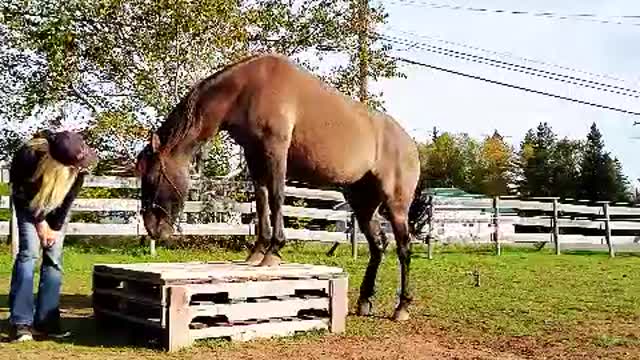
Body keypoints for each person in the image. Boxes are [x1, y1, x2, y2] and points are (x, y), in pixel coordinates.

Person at [7, 130, 96, 342]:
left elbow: (69, 199)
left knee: (54, 259)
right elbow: (20, 191)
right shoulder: (27, 155)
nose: (77, 169)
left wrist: (54, 228)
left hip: (56, 207)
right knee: (28, 255)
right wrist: (40, 224)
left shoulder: (80, 161)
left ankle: (47, 321)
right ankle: (21, 322)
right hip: (29, 203)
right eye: (71, 167)